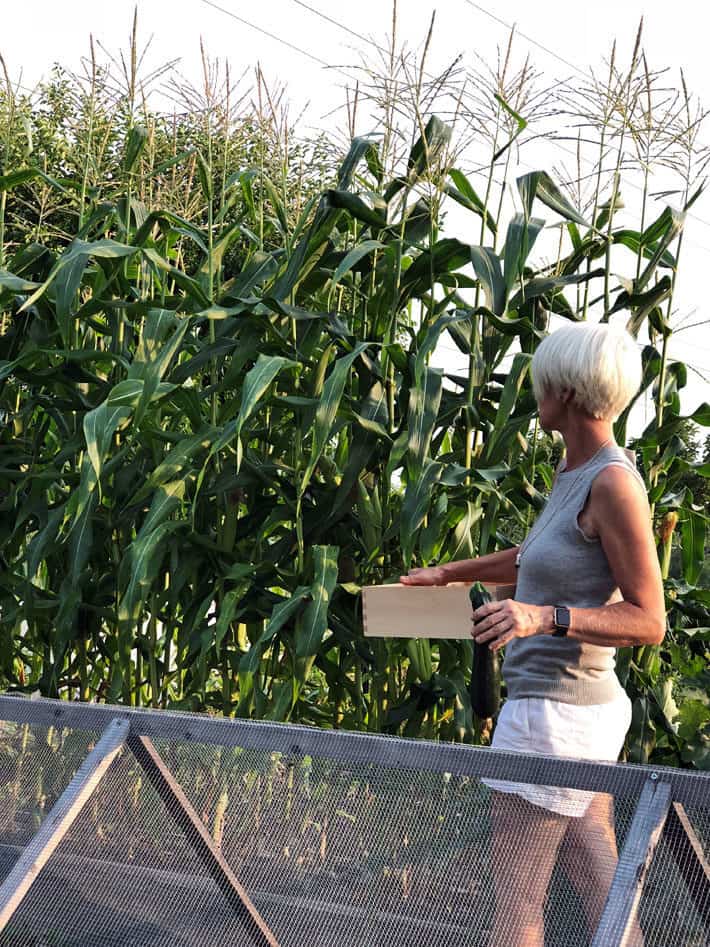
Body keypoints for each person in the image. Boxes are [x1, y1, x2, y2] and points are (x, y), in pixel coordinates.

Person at [399, 323, 665, 947]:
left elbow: (649, 619)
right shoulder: (575, 473)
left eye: (542, 380)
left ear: (567, 391)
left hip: (554, 715)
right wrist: (450, 573)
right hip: (572, 714)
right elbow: (538, 557)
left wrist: (540, 617)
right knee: (600, 885)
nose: (534, 390)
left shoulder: (613, 483)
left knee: (515, 911)